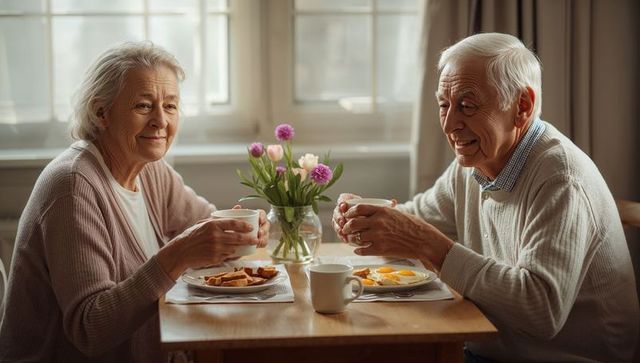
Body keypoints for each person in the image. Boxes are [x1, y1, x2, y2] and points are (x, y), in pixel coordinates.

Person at [333, 33, 639, 362]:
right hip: (485, 347)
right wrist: (367, 218)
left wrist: (429, 244)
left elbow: (540, 310)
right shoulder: (475, 162)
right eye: (443, 105)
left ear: (522, 107)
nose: (450, 124)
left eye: (467, 106)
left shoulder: (560, 178)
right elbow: (417, 219)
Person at [0, 41, 269, 363]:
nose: (160, 121)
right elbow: (91, 329)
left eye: (170, 106)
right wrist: (177, 255)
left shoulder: (151, 169)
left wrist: (238, 234)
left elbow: (204, 226)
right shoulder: (72, 187)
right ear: (102, 113)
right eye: (143, 106)